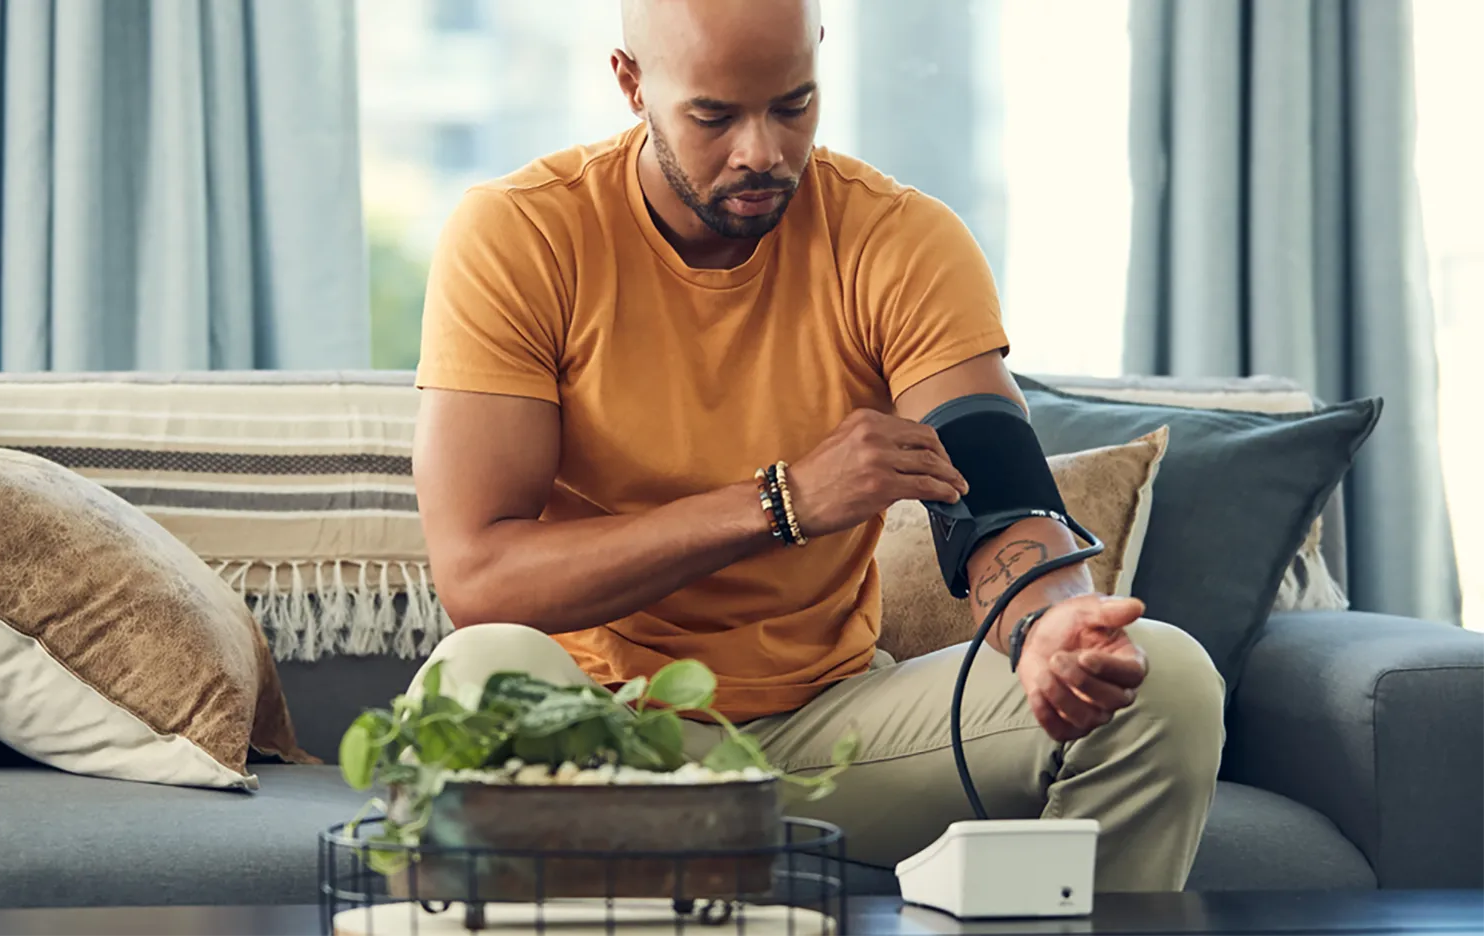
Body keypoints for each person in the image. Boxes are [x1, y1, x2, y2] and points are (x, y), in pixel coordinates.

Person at [407, 0, 1223, 893]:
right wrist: (779, 503)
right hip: (602, 734)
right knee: (475, 677)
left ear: (818, 56)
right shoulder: (523, 234)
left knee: (1167, 681)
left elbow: (998, 493)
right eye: (715, 116)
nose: (762, 152)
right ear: (632, 83)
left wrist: (1048, 623)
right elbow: (481, 577)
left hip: (835, 736)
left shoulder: (898, 239)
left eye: (792, 104)